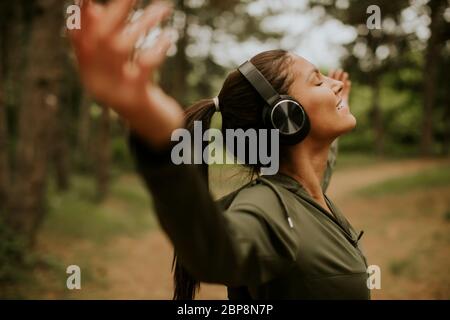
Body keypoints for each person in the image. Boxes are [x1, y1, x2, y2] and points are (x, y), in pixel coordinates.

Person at [69, 0, 369, 300]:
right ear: (286, 116)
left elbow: (315, 172)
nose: (336, 85)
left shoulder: (305, 193)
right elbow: (218, 254)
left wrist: (330, 121)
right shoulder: (270, 211)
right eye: (318, 81)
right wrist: (158, 140)